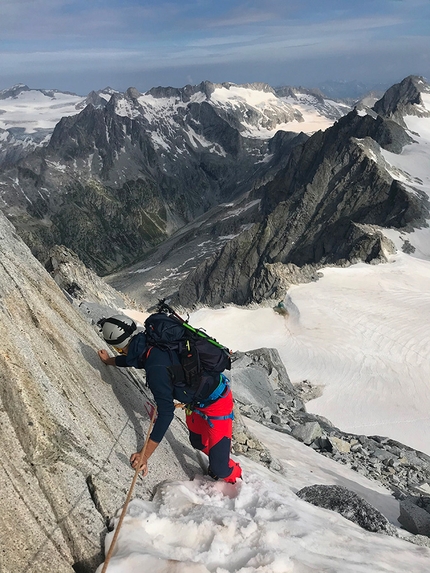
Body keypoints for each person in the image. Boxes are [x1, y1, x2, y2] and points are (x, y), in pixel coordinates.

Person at [98, 314, 242, 484]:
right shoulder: (147, 342)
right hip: (197, 402)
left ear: (119, 347)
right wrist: (110, 361)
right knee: (197, 442)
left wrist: (144, 455)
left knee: (220, 469)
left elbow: (166, 413)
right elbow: (134, 360)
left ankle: (237, 476)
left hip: (218, 405)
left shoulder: (154, 366)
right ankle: (220, 454)